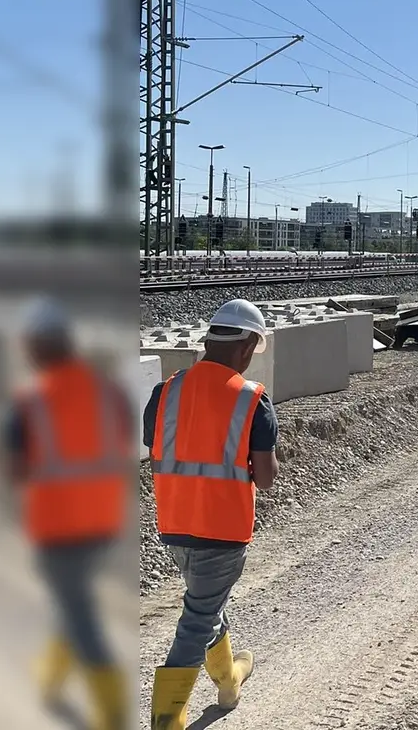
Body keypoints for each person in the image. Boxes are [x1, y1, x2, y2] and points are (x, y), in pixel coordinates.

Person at [146, 299, 278, 730]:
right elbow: (267, 478)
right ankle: (166, 719)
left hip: (174, 525)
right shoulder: (252, 400)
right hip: (221, 530)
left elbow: (161, 449)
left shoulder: (164, 391)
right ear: (248, 346)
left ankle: (228, 680)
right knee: (198, 617)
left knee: (207, 605)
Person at [7, 299, 131, 729]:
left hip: (57, 526)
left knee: (77, 609)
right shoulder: (108, 390)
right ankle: (53, 681)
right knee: (73, 599)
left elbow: (17, 469)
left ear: (37, 347)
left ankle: (112, 711)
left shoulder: (30, 400)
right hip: (102, 521)